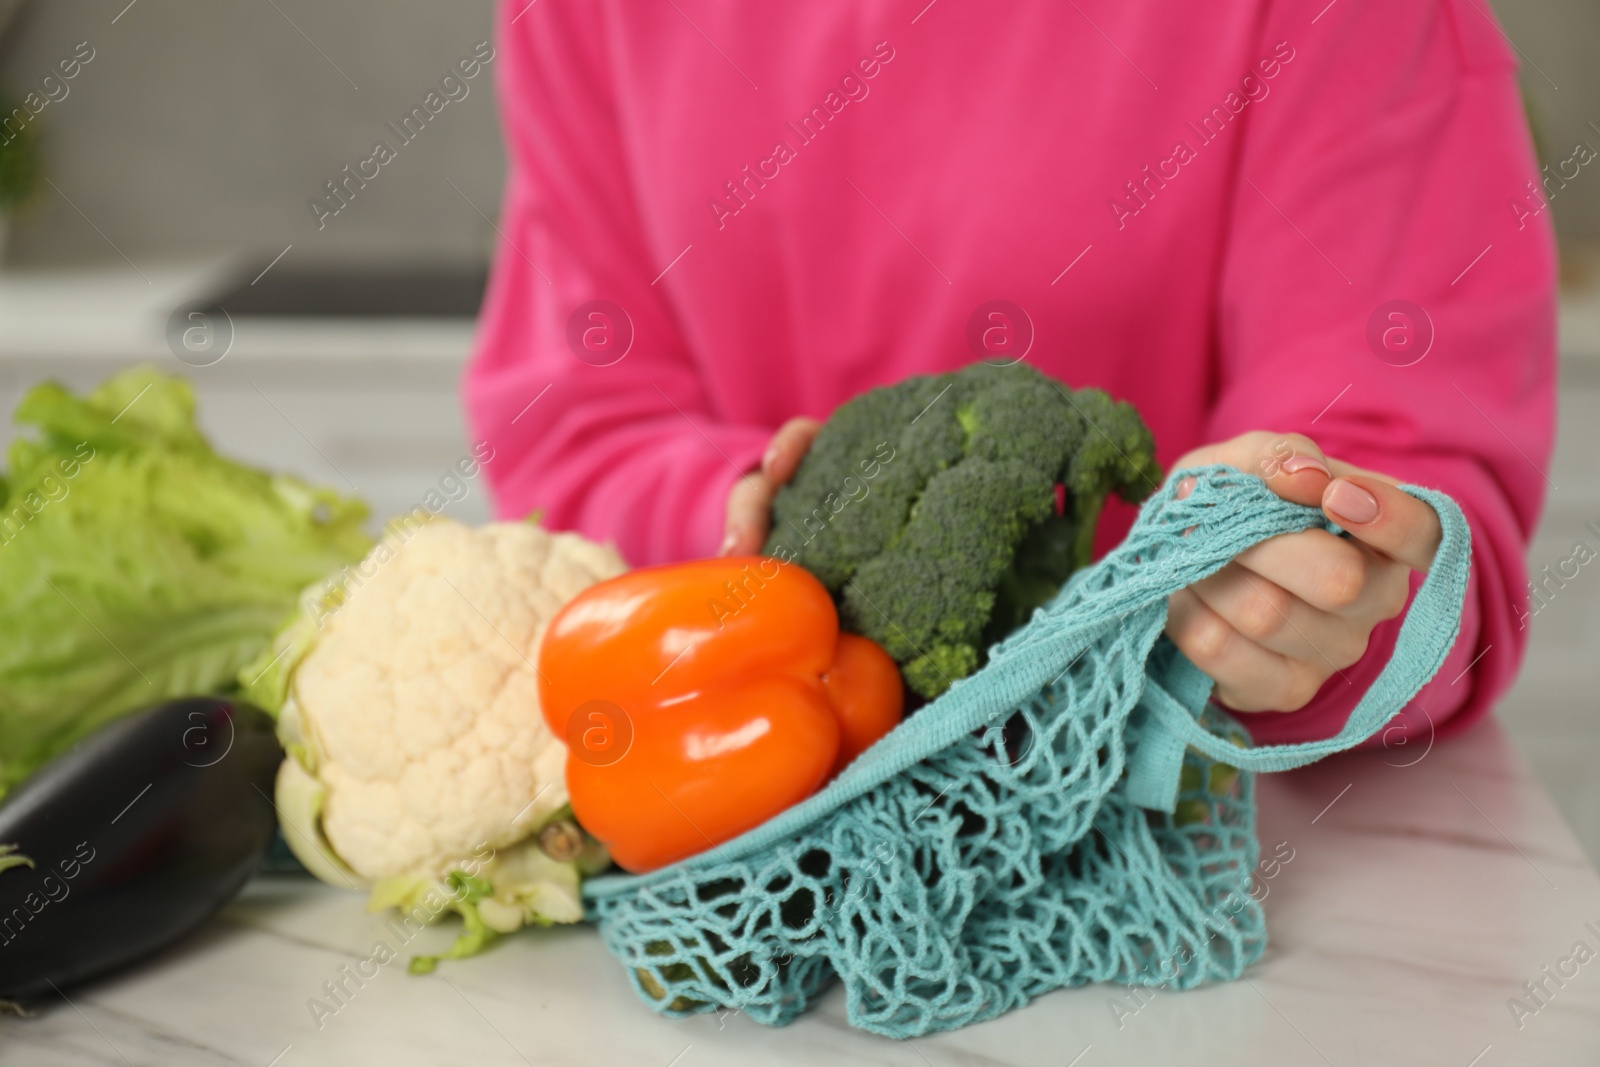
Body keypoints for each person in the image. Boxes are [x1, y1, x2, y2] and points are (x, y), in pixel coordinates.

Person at [466, 1, 1554, 747]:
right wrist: (752, 520)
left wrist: (1307, 613)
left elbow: (1429, 530)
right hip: (735, 796)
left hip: (1206, 841)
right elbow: (576, 424)